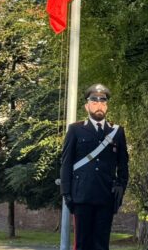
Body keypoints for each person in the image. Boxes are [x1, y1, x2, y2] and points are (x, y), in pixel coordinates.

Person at [60, 84, 129, 250]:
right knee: (83, 244)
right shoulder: (76, 130)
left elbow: (123, 164)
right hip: (82, 195)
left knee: (101, 244)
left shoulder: (116, 132)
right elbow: (66, 163)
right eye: (95, 102)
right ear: (87, 106)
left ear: (106, 106)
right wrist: (66, 193)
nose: (99, 106)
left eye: (103, 102)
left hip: (106, 195)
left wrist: (121, 186)